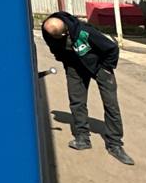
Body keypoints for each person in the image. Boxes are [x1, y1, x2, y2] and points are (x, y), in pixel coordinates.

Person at [41, 11, 134, 165]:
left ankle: (114, 144)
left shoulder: (84, 31)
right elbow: (55, 50)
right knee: (76, 101)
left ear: (65, 32)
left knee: (111, 105)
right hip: (74, 67)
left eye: (59, 37)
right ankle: (83, 137)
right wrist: (67, 63)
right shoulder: (48, 31)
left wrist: (106, 68)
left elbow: (112, 48)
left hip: (100, 65)